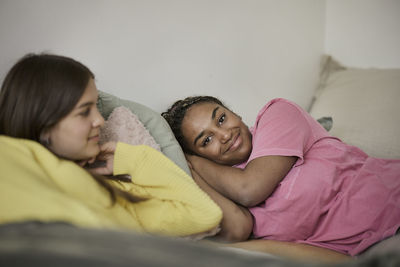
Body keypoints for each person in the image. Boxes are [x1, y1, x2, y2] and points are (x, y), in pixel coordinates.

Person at [0, 54, 222, 238]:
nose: (100, 120)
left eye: (96, 107)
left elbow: (204, 215)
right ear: (43, 120)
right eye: (84, 111)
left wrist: (135, 158)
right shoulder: (12, 161)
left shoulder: (120, 188)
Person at [162, 96, 400, 260]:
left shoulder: (278, 114)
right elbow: (237, 230)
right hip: (378, 251)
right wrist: (189, 165)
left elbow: (250, 189)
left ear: (235, 112)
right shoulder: (225, 188)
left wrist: (193, 158)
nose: (224, 135)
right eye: (207, 140)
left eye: (221, 118)